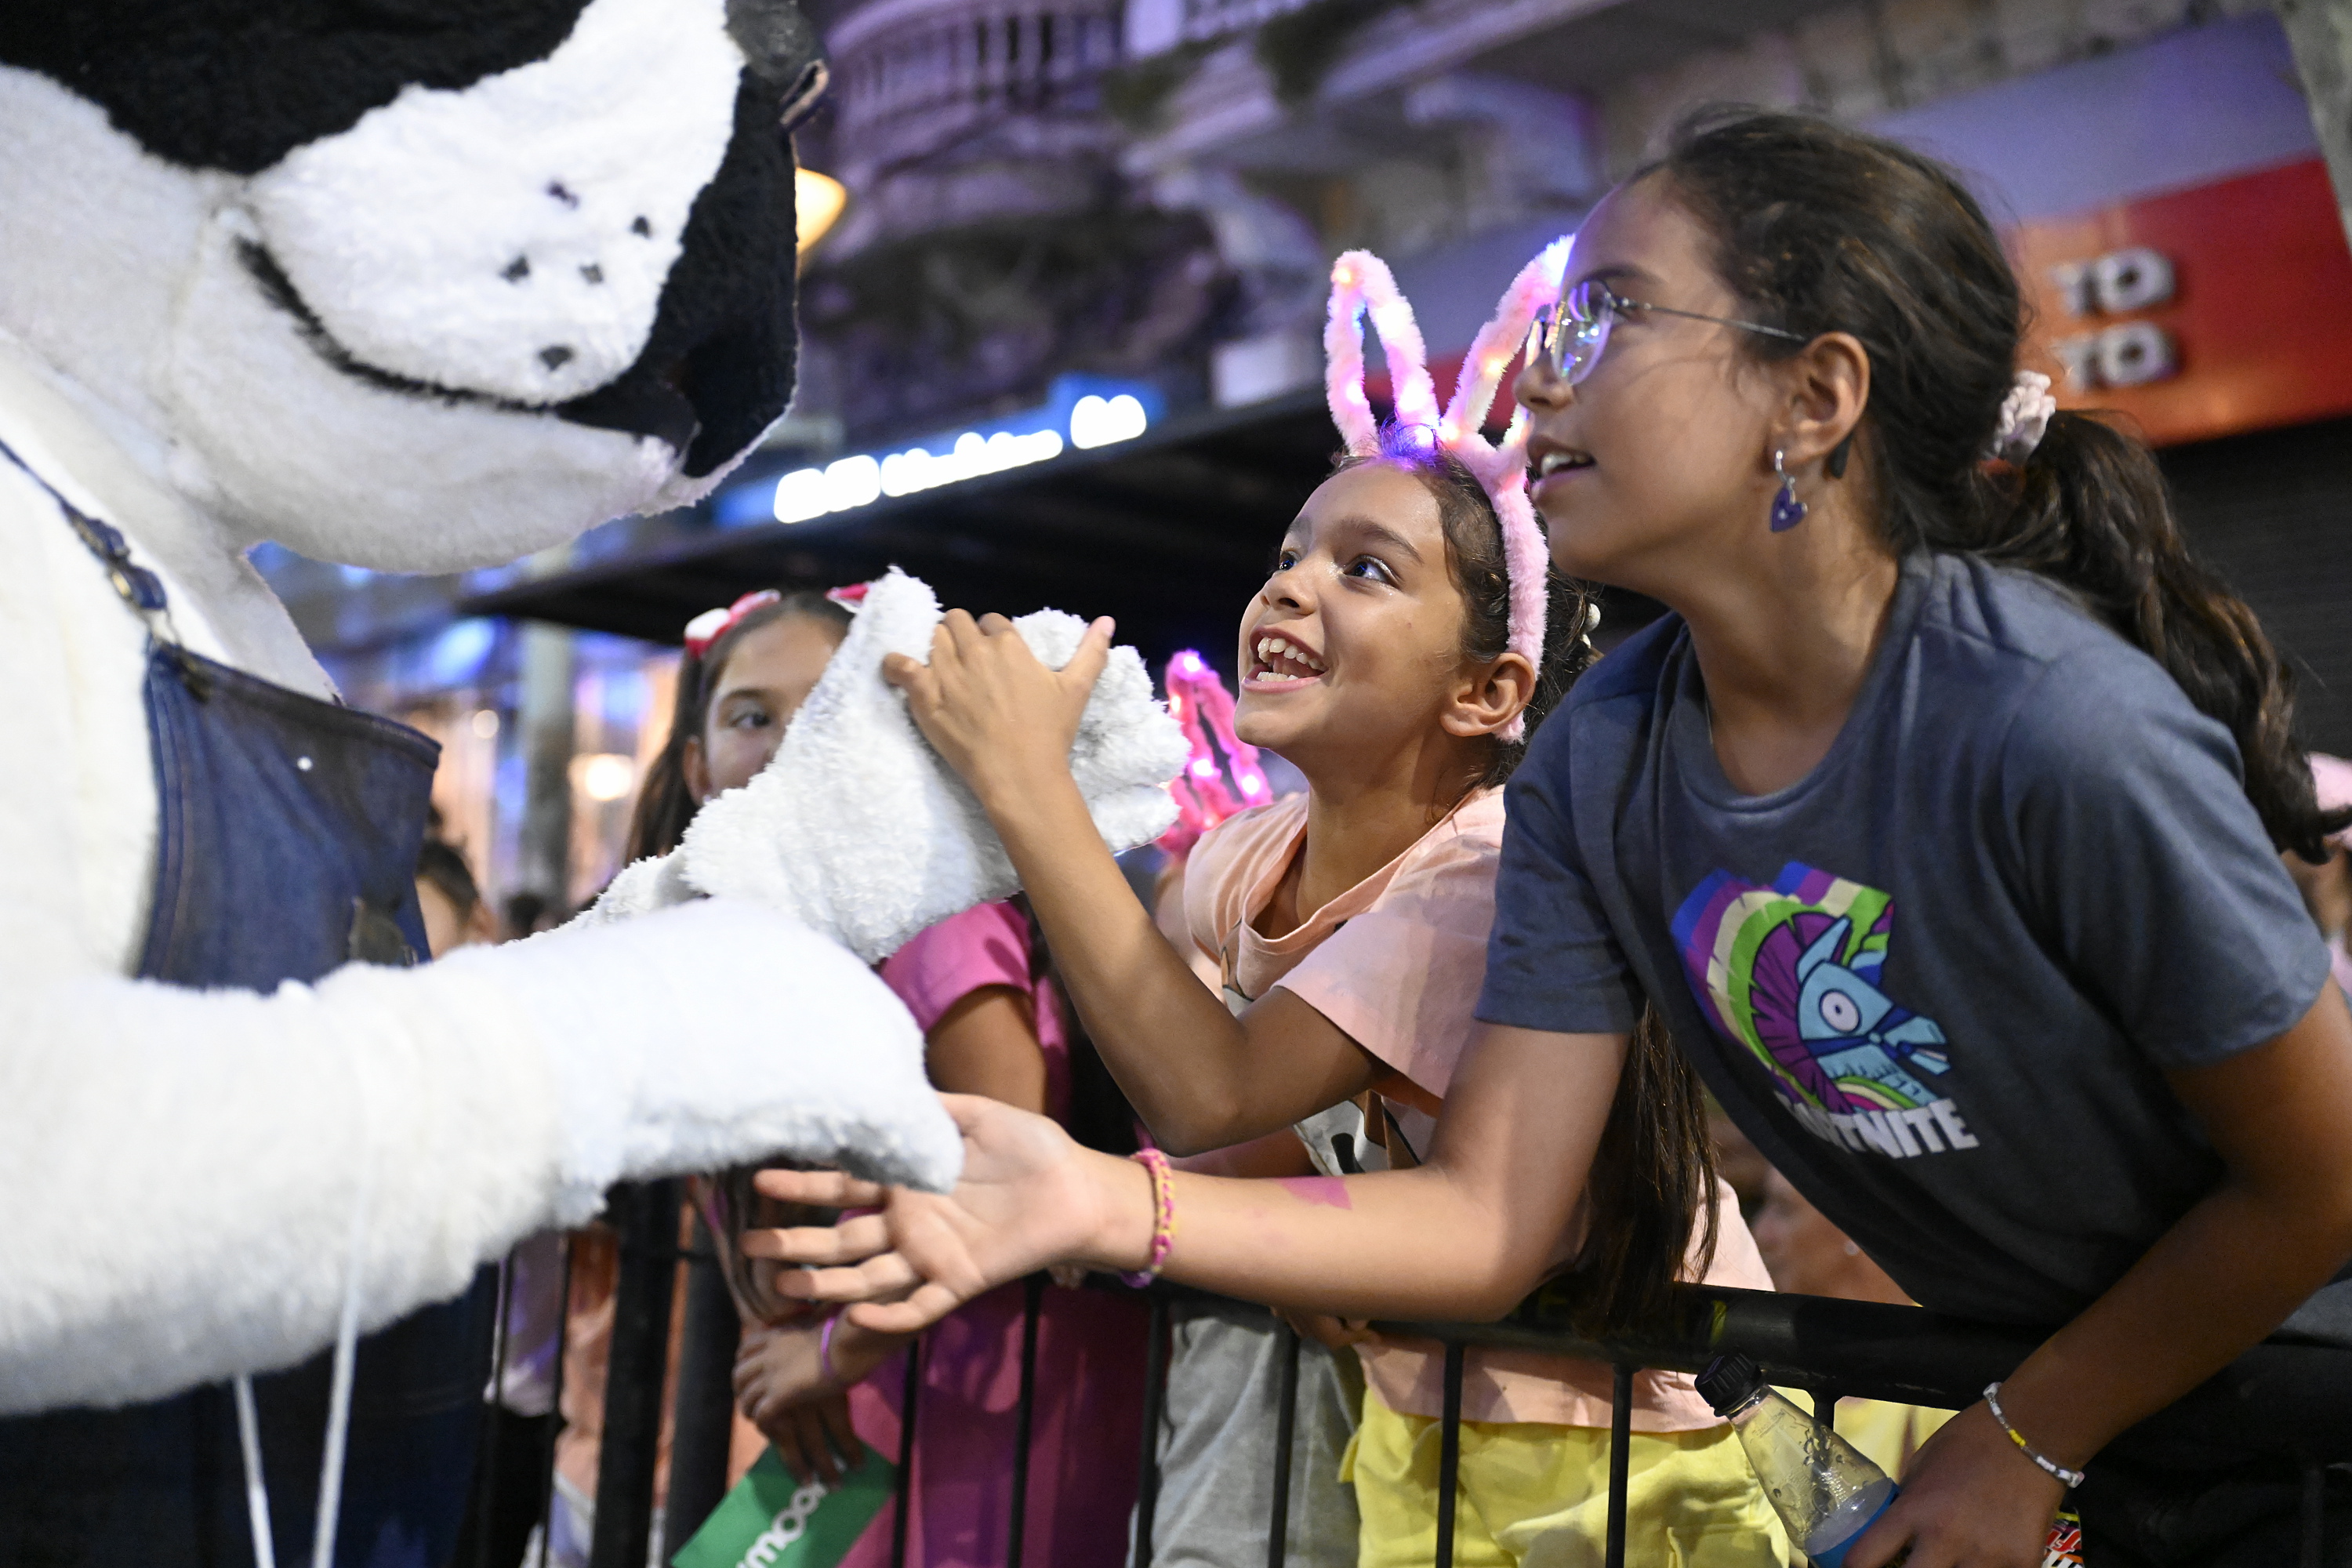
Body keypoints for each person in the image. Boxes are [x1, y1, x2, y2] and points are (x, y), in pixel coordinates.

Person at [750, 109, 2352, 1568]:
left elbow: (2324, 1184)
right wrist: (1103, 1201)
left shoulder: (2048, 721)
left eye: (1612, 313)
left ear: (1815, 394)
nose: (1546, 376)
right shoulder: (1607, 751)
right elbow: (1485, 1212)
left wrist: (2026, 1429)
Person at [796, 249, 1790, 1564]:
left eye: (1368, 571)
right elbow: (1194, 1089)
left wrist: (1031, 788)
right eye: (1291, 554)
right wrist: (1298, 1237)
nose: (1292, 584)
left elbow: (1209, 1085)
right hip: (1427, 1400)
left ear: (1489, 693)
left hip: (1632, 1427)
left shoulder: (1485, 870)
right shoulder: (1242, 859)